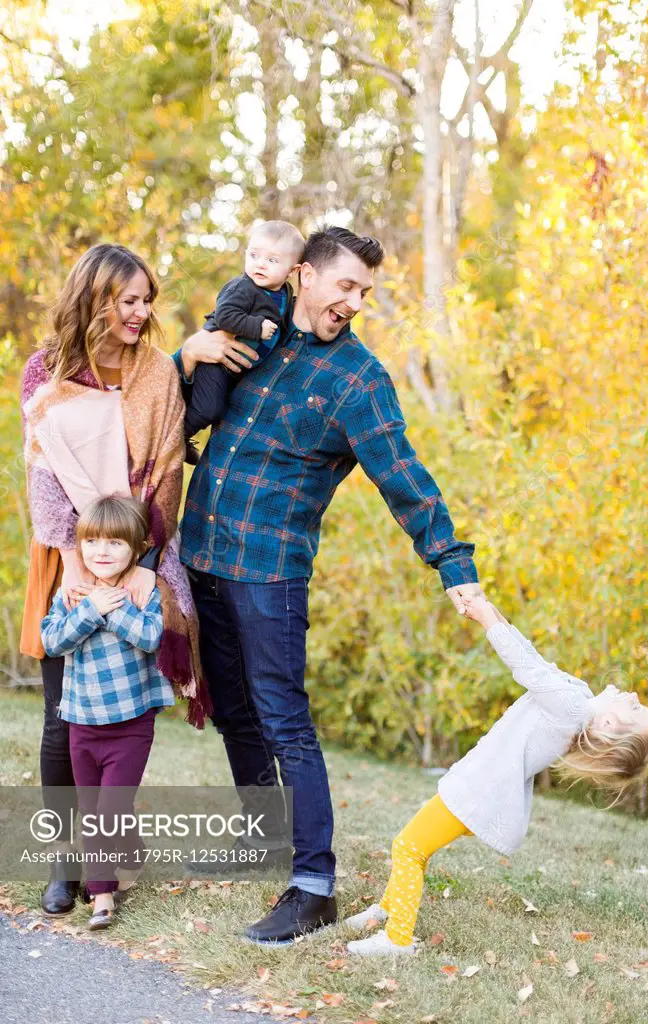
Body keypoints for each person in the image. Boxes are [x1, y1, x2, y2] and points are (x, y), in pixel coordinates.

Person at [173, 226, 483, 945]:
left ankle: (313, 886)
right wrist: (185, 353)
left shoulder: (358, 380)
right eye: (345, 285)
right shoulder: (255, 334)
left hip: (270, 572)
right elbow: (174, 395)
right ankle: (262, 841)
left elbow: (406, 481)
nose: (354, 302)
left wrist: (454, 568)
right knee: (234, 714)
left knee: (284, 721)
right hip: (204, 555)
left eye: (365, 293)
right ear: (305, 276)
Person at [20, 243, 210, 918]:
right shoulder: (46, 371)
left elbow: (164, 468)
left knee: (124, 711)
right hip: (67, 556)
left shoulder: (157, 373)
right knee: (58, 718)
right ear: (95, 300)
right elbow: (43, 474)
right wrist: (75, 563)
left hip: (139, 556)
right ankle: (63, 866)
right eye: (128, 300)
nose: (141, 312)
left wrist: (139, 565)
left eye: (146, 300)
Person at [344, 594, 648, 956]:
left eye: (635, 708)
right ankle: (385, 910)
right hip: (478, 788)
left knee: (409, 848)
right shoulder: (578, 699)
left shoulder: (572, 710)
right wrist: (488, 609)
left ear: (608, 726)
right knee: (416, 844)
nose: (634, 694)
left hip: (477, 793)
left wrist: (486, 620)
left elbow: (524, 667)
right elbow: (534, 659)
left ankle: (396, 938)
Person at [41, 496, 175, 930]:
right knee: (92, 806)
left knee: (107, 812)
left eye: (114, 543)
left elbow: (151, 637)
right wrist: (88, 609)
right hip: (82, 723)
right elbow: (52, 642)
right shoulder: (71, 595)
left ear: (135, 550)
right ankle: (130, 854)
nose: (101, 551)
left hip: (131, 725)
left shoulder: (143, 592)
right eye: (92, 541)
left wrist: (110, 608)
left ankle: (101, 896)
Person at [184, 220, 304, 463]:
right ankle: (178, 436)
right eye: (254, 255)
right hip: (215, 361)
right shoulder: (242, 288)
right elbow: (225, 316)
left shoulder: (284, 293)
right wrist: (256, 326)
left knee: (232, 409)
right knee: (210, 409)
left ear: (292, 271)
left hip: (239, 369)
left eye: (272, 260)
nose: (260, 264)